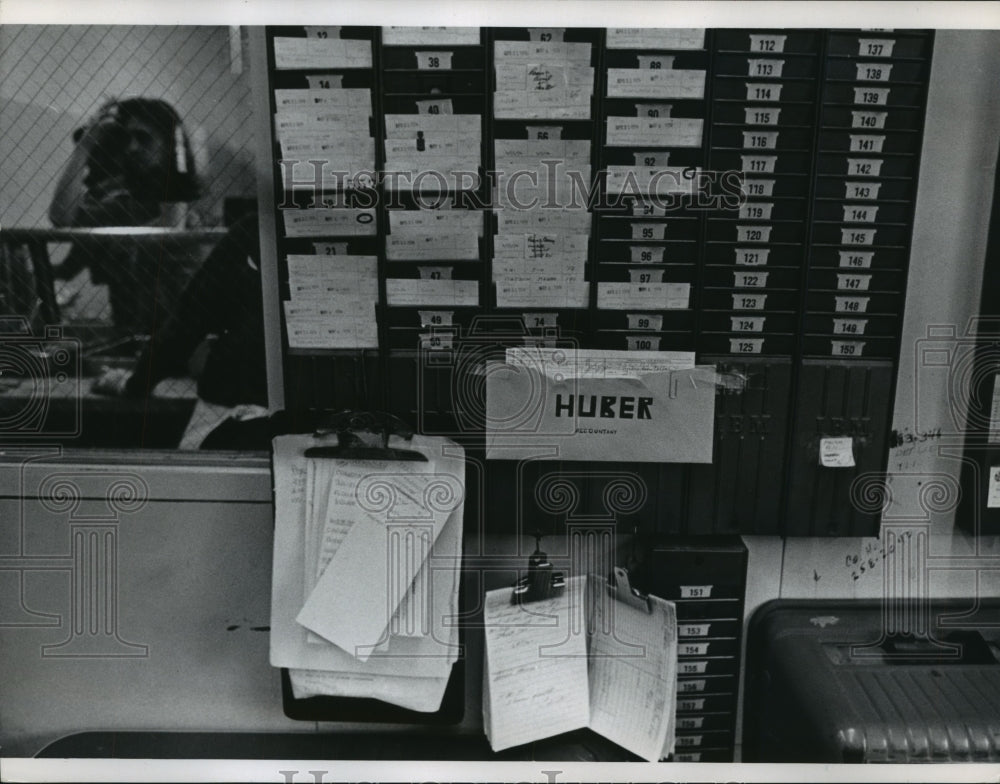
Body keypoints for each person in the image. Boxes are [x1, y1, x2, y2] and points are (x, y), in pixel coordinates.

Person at [93, 212, 269, 449]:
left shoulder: (255, 228)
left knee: (195, 481)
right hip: (311, 408)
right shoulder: (318, 229)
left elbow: (188, 321)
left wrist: (137, 383)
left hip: (233, 397)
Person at [49, 98, 202, 334]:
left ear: (169, 145)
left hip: (178, 341)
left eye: (144, 138)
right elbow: (61, 217)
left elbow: (172, 225)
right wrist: (85, 145)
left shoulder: (182, 209)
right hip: (131, 336)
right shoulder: (121, 206)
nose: (132, 147)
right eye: (127, 139)